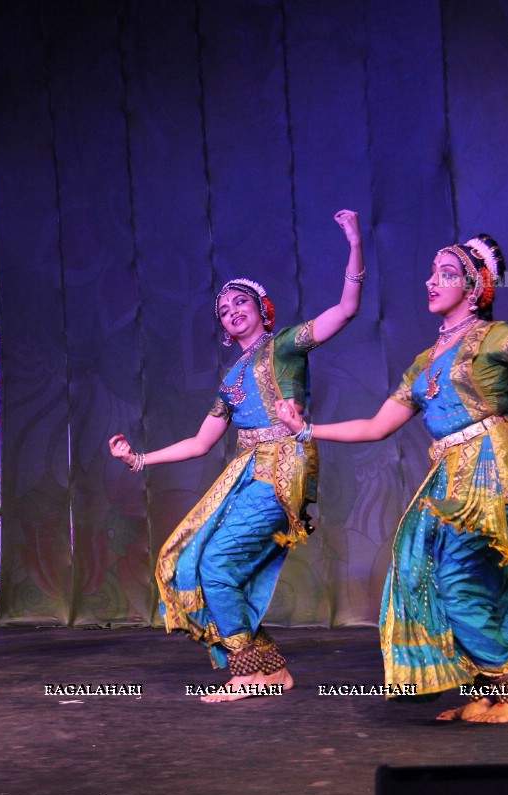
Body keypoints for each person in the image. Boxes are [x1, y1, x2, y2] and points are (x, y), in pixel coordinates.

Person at [276, 236, 508, 723]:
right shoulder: (423, 362)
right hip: (450, 475)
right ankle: (492, 689)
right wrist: (306, 429)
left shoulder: (492, 336)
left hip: (494, 465)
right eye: (431, 272)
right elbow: (376, 426)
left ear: (473, 284)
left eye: (444, 272)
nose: (430, 281)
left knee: (458, 578)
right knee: (429, 574)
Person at [109, 210, 366, 702]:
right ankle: (268, 668)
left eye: (240, 302)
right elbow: (200, 443)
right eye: (223, 309)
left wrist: (353, 243)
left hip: (283, 464)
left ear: (262, 309)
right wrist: (139, 460)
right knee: (192, 562)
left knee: (219, 562)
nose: (231, 310)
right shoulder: (229, 379)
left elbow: (346, 310)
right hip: (244, 471)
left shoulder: (287, 345)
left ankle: (246, 674)